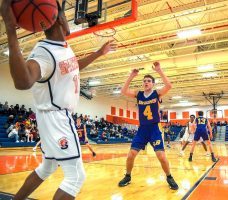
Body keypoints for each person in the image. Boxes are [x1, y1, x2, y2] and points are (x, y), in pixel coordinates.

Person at [1, 0, 116, 199]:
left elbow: (73, 66)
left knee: (47, 167)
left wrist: (98, 53)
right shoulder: (44, 53)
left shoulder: (62, 46)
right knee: (76, 178)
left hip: (50, 119)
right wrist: (11, 29)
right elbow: (23, 81)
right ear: (60, 19)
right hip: (58, 118)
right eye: (66, 15)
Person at [118, 62, 179, 190]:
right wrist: (131, 76)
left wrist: (159, 70)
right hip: (142, 130)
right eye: (144, 81)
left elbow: (169, 85)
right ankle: (128, 176)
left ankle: (169, 177)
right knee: (130, 155)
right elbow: (123, 91)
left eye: (148, 81)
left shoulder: (157, 94)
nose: (146, 82)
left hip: (154, 129)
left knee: (161, 156)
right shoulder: (138, 94)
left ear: (152, 84)